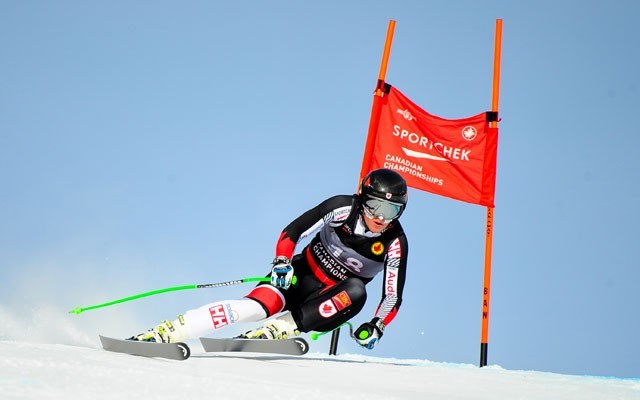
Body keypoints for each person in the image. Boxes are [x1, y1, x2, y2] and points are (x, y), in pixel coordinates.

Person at [131, 168, 409, 350]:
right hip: (300, 275)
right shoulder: (342, 208)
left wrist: (377, 325)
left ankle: (279, 329)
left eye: (392, 210)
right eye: (375, 206)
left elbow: (391, 297)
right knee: (252, 309)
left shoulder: (394, 242)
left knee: (356, 291)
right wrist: (282, 262)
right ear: (362, 200)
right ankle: (168, 331)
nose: (381, 218)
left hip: (331, 302)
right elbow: (293, 232)